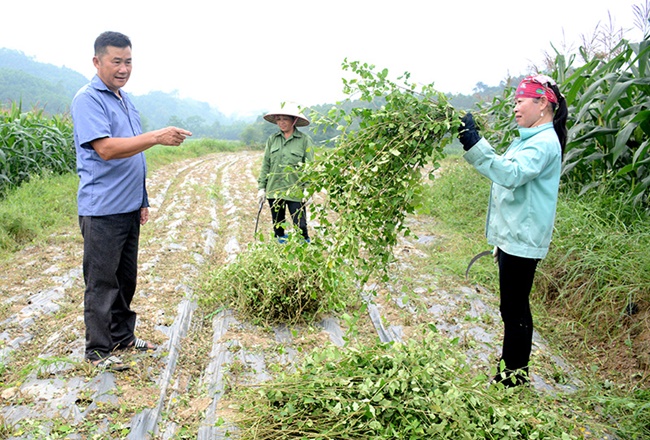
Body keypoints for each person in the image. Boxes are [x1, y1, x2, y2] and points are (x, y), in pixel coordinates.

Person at [71, 31, 192, 371]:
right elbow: (107, 149)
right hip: (103, 209)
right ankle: (97, 350)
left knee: (126, 279)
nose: (123, 68)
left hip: (127, 206)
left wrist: (143, 199)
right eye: (116, 61)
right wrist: (156, 136)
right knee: (101, 281)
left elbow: (134, 157)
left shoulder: (124, 99)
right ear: (97, 62)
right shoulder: (88, 99)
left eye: (128, 61)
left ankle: (123, 337)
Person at [458, 75, 568, 387]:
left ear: (542, 103)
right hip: (514, 236)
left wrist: (475, 144)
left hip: (523, 239)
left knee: (515, 308)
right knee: (513, 306)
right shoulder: (528, 139)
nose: (515, 107)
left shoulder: (543, 143)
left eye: (521, 101)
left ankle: (513, 378)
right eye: (516, 101)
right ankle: (513, 371)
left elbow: (511, 174)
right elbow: (508, 168)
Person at [257, 104, 314, 243]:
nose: (281, 123)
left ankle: (303, 250)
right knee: (278, 225)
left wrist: (309, 189)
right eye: (278, 119)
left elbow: (309, 166)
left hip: (295, 190)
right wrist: (261, 188)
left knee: (300, 226)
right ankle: (281, 249)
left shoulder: (304, 140)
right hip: (274, 189)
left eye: (285, 119)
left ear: (293, 121)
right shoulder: (273, 139)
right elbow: (266, 164)